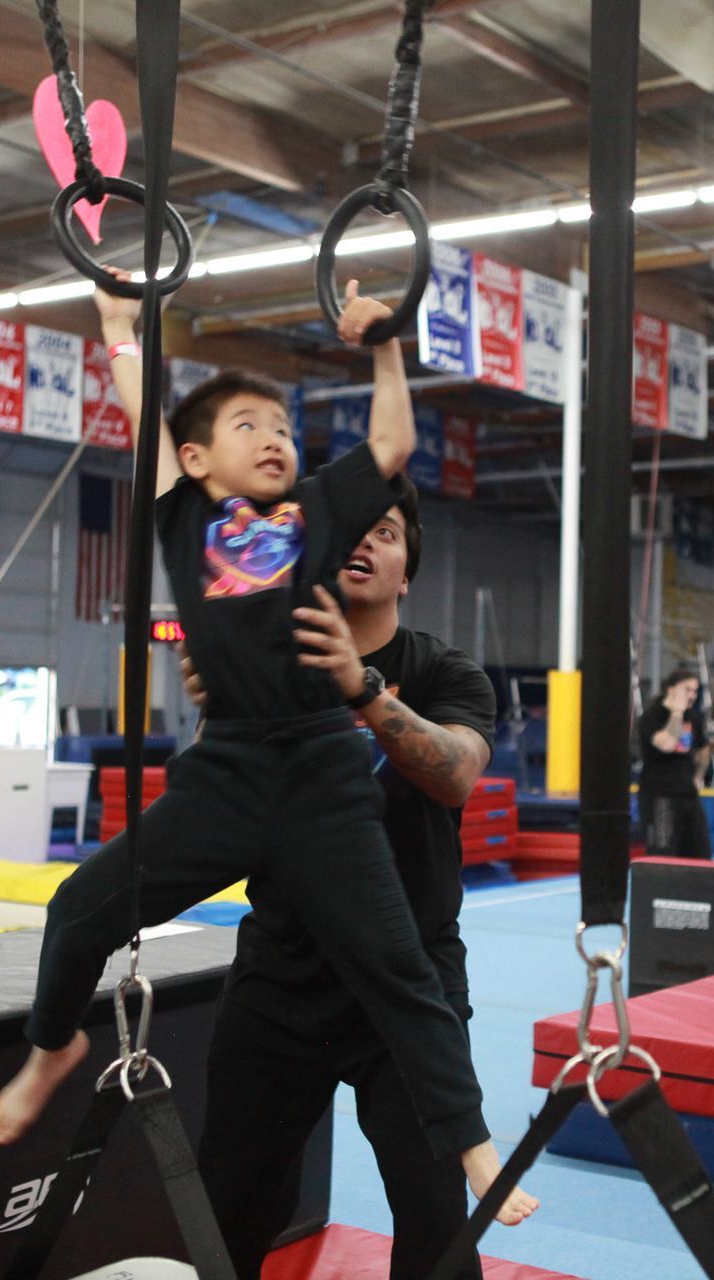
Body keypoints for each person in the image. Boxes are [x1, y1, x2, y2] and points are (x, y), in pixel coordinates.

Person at [0, 280, 532, 1235]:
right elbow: (138, 406)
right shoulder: (182, 516)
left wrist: (386, 347)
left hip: (320, 775)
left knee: (402, 969)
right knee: (77, 907)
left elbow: (393, 446)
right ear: (198, 459)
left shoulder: (314, 515)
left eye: (283, 424)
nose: (276, 436)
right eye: (250, 425)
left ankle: (474, 1142)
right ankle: (49, 1047)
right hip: (229, 771)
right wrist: (120, 323)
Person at [180, 479, 526, 1277]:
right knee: (229, 1209)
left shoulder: (446, 673)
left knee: (437, 1224)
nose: (365, 544)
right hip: (282, 977)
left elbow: (457, 776)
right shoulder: (265, 674)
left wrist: (362, 690)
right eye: (346, 531)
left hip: (411, 986)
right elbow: (215, 815)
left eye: (388, 533)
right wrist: (220, 711)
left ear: (407, 572)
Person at [637, 668, 712, 858]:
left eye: (695, 691)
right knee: (663, 852)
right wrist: (677, 713)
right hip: (660, 795)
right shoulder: (652, 716)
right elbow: (668, 744)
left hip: (688, 794)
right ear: (671, 689)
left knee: (700, 853)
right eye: (687, 690)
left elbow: (704, 749)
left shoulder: (693, 718)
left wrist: (698, 776)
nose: (692, 696)